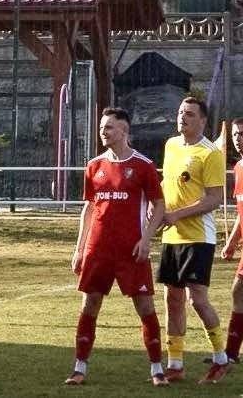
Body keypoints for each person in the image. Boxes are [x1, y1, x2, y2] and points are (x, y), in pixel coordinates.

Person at [64, 108, 168, 386]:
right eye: (102, 127)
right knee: (90, 304)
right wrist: (79, 248)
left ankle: (157, 369)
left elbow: (160, 205)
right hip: (97, 249)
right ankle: (79, 368)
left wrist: (146, 238)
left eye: (109, 127)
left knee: (145, 306)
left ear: (124, 131)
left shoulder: (143, 165)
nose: (103, 132)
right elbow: (88, 208)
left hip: (131, 250)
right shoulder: (94, 166)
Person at [158, 97, 228, 383]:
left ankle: (221, 359)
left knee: (197, 299)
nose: (182, 117)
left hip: (199, 236)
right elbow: (166, 184)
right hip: (172, 236)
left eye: (189, 114)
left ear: (202, 120)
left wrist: (179, 214)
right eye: (179, 112)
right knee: (172, 298)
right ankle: (175, 364)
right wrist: (158, 208)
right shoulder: (171, 145)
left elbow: (214, 198)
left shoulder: (210, 153)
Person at [220, 118, 243, 361]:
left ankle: (231, 352)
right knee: (238, 292)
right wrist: (231, 242)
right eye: (236, 134)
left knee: (239, 291)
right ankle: (231, 353)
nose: (238, 139)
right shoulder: (238, 168)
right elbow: (241, 213)